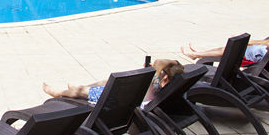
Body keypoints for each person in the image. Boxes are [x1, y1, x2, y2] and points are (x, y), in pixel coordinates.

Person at [42, 59, 185, 106]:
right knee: (106, 81)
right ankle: (79, 87)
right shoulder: (163, 88)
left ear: (164, 77)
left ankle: (58, 92)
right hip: (126, 99)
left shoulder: (151, 87)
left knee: (80, 92)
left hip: (114, 102)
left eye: (153, 68)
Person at [182, 22, 269, 63]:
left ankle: (197, 54)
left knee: (228, 49)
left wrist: (249, 42)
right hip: (265, 55)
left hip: (259, 56)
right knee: (227, 47)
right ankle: (198, 53)